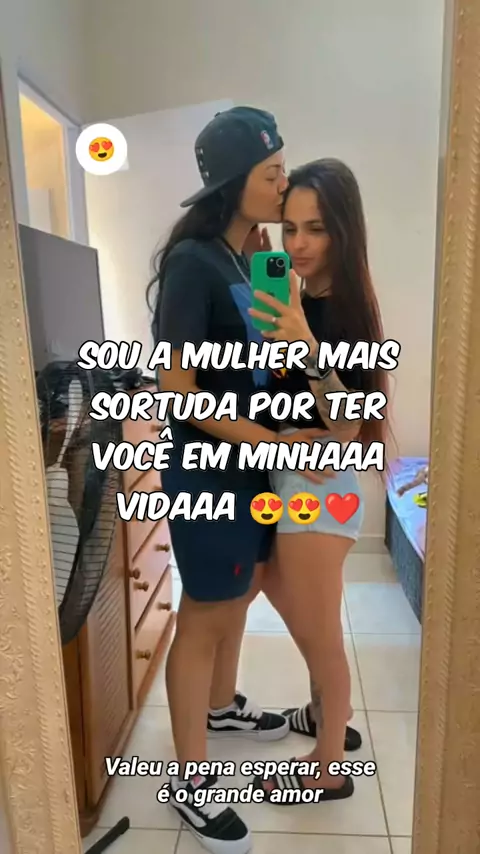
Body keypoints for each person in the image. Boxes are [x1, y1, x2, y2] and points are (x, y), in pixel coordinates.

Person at [147, 108, 326, 854]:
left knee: (239, 593)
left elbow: (263, 358)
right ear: (232, 183)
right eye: (272, 173)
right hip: (211, 472)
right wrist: (266, 438)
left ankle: (221, 708)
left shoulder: (242, 256)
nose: (285, 184)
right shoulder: (193, 264)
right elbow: (177, 390)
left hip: (250, 468)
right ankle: (189, 783)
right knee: (204, 618)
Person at [249, 158, 389, 800]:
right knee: (289, 597)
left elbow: (347, 424)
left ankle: (329, 764)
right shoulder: (301, 300)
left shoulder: (344, 313)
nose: (298, 244)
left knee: (321, 633)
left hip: (320, 487)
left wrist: (305, 346)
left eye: (316, 229)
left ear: (343, 231)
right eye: (290, 228)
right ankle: (331, 711)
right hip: (296, 479)